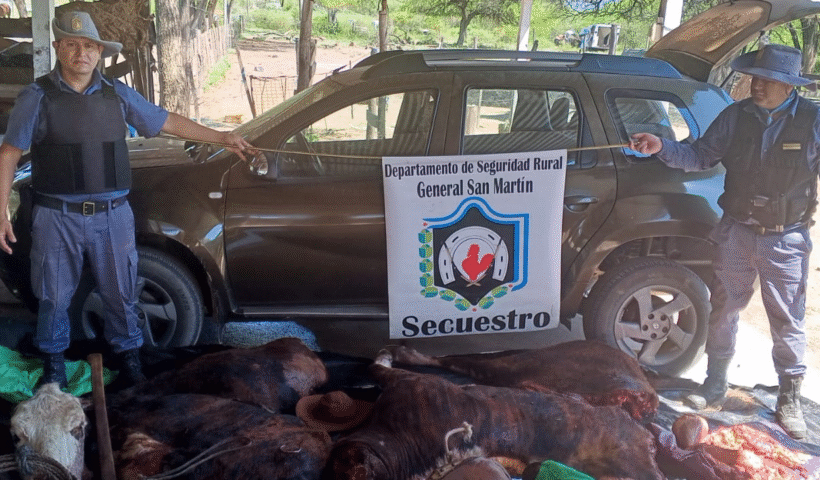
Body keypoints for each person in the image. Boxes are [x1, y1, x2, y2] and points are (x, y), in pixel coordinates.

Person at [0, 11, 256, 389]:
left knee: (121, 295)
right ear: (57, 47)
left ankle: (131, 362)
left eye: (89, 46)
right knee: (52, 297)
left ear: (99, 51)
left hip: (112, 216)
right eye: (72, 44)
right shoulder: (36, 97)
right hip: (57, 216)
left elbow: (165, 121)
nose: (81, 53)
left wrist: (222, 137)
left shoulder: (117, 93)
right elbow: (8, 154)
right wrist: (1, 212)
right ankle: (54, 365)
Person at [630, 43, 819, 440]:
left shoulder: (813, 121)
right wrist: (661, 146)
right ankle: (715, 383)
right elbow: (699, 156)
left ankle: (789, 398)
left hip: (785, 239)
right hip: (736, 232)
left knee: (787, 319)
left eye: (768, 81)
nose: (757, 86)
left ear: (789, 86)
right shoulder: (735, 116)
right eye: (755, 78)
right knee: (724, 310)